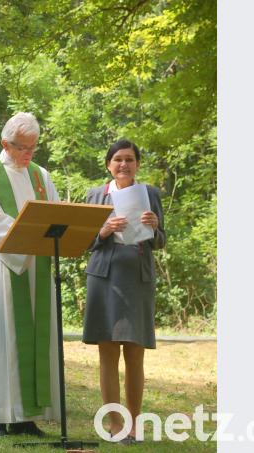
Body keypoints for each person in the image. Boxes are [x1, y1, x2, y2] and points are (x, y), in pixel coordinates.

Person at [0, 112, 62, 438]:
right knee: (0, 340)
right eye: (22, 148)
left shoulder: (40, 176)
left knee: (33, 337)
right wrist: (27, 241)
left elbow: (56, 215)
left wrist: (44, 237)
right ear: (4, 143)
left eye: (33, 148)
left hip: (36, 269)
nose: (28, 155)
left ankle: (26, 418)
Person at [82, 139, 166, 444]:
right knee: (108, 353)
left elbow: (161, 240)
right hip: (103, 279)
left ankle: (134, 424)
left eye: (129, 159)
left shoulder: (150, 194)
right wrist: (102, 232)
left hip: (138, 279)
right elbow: (81, 241)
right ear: (108, 164)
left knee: (135, 353)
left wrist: (155, 227)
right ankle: (114, 424)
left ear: (137, 164)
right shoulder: (95, 195)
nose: (123, 165)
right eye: (118, 159)